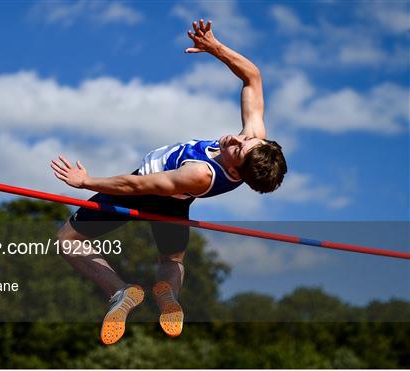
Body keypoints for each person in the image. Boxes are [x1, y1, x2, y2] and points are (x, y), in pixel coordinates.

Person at [51, 19, 287, 345]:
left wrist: (87, 181)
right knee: (172, 260)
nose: (236, 138)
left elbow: (137, 187)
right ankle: (168, 297)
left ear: (238, 170)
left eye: (238, 148)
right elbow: (253, 77)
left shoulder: (201, 173)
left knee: (67, 239)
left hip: (147, 191)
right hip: (174, 201)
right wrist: (215, 47)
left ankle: (119, 292)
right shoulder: (253, 141)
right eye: (247, 140)